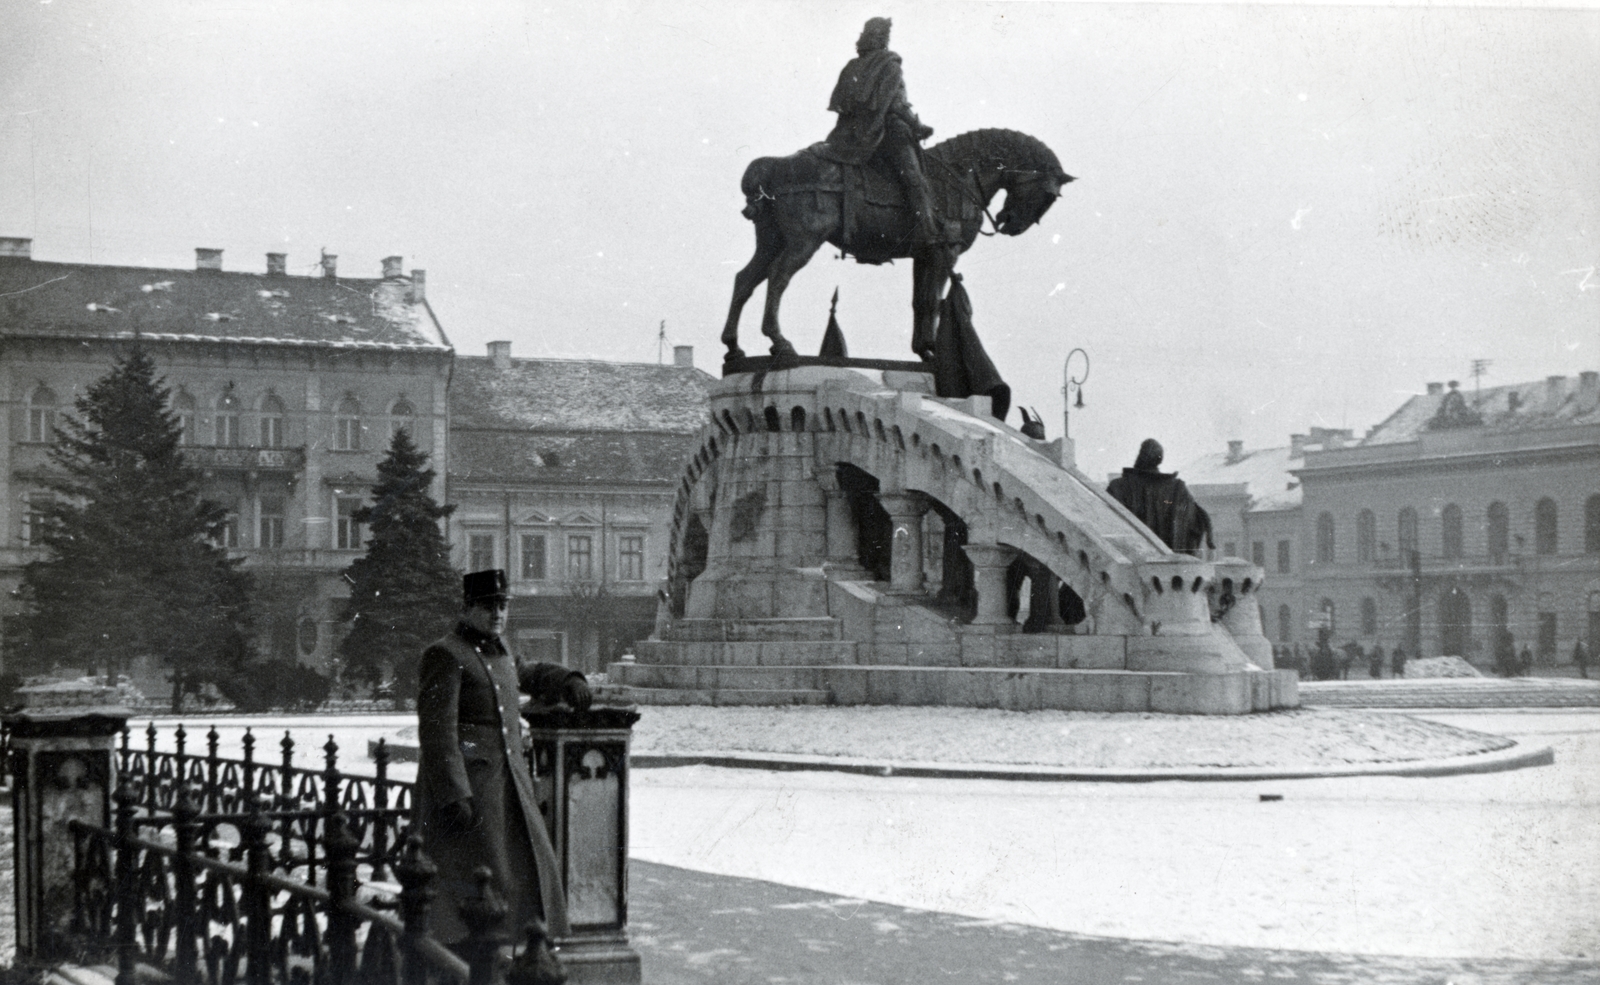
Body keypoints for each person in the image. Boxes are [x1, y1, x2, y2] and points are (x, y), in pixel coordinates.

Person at [413, 569, 593, 948]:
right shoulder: (446, 654)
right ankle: (467, 961)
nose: (497, 614)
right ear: (467, 608)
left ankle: (506, 953)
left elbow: (527, 672)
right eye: (488, 606)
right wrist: (453, 794)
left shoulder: (502, 649)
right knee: (473, 883)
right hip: (470, 793)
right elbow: (437, 732)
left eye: (503, 606)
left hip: (508, 785)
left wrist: (567, 680)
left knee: (523, 872)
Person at [824, 17, 942, 245]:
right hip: (886, 133)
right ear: (882, 39)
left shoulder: (851, 67)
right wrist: (918, 127)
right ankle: (928, 231)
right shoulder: (890, 65)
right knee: (914, 179)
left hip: (846, 137)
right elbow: (896, 104)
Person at [1106, 439, 1215, 557]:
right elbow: (1193, 520)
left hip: (1131, 559)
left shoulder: (1117, 486)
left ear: (1140, 456)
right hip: (1167, 564)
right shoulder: (1177, 488)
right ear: (1160, 459)